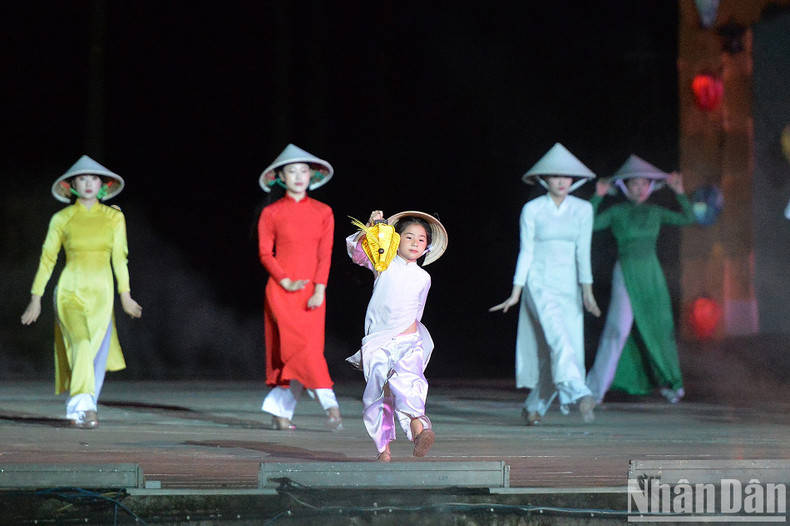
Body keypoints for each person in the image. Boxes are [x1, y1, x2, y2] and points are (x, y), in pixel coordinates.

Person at [21, 155, 142, 428]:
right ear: (73, 185)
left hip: (102, 293)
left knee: (96, 355)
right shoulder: (62, 218)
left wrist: (125, 295)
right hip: (69, 291)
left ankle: (80, 406)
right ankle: (85, 406)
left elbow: (120, 258)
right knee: (82, 343)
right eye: (82, 179)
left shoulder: (114, 217)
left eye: (93, 178)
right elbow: (47, 259)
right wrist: (36, 298)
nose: (88, 183)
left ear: (102, 184)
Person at [491, 143, 600, 425]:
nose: (562, 181)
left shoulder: (584, 209)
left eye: (567, 176)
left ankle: (534, 406)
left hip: (569, 288)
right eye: (555, 176)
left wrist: (587, 291)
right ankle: (580, 390)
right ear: (544, 179)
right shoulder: (533, 209)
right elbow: (525, 251)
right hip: (538, 283)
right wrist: (516, 291)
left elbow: (583, 251)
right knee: (559, 340)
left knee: (566, 348)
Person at [585, 154, 695, 404]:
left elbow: (688, 219)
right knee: (617, 330)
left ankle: (672, 384)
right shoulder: (617, 212)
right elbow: (588, 224)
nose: (639, 189)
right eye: (634, 184)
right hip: (626, 273)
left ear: (650, 187)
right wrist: (598, 196)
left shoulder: (655, 212)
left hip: (652, 275)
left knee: (660, 329)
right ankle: (594, 390)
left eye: (644, 184)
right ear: (624, 187)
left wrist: (679, 192)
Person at [346, 210, 448, 462]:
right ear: (395, 239)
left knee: (409, 385)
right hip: (379, 342)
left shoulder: (424, 277)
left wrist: (414, 335)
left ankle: (420, 431)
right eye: (409, 237)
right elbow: (358, 254)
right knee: (377, 395)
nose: (415, 243)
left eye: (421, 239)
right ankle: (384, 450)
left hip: (408, 341)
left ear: (427, 246)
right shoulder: (383, 263)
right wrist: (371, 226)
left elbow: (418, 310)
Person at [257, 144, 342, 431]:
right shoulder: (271, 212)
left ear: (311, 176)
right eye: (291, 171)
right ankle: (330, 404)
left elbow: (325, 253)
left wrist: (320, 288)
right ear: (281, 176)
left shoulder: (323, 212)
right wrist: (285, 280)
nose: (298, 176)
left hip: (312, 293)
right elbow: (266, 254)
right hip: (281, 291)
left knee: (304, 351)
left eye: (303, 171)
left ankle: (280, 412)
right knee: (298, 350)